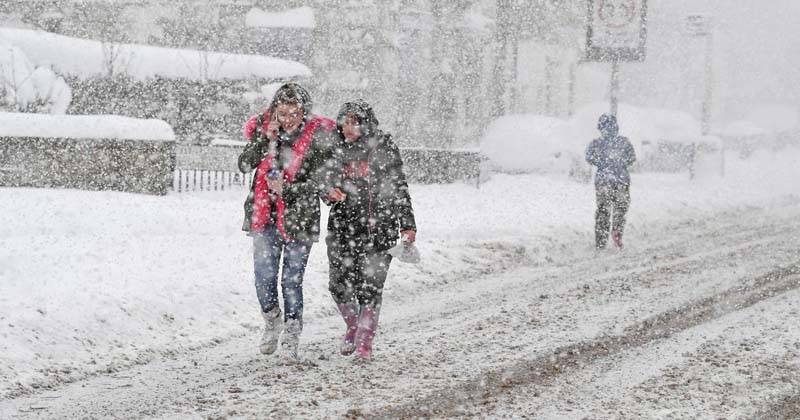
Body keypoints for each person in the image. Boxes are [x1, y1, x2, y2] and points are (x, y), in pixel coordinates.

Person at [238, 83, 337, 358]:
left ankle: (292, 330)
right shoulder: (266, 133)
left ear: (304, 111)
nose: (288, 119)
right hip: (264, 216)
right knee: (263, 277)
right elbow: (244, 164)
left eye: (294, 113)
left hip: (300, 219)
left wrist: (288, 190)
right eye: (282, 113)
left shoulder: (316, 139)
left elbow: (321, 182)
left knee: (291, 280)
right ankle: (272, 320)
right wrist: (263, 140)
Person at [325, 100, 417, 360]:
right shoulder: (334, 148)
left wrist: (407, 224)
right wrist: (329, 193)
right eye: (345, 121)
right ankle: (353, 325)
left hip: (380, 229)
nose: (348, 128)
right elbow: (324, 181)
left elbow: (399, 186)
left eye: (355, 122)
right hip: (342, 229)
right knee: (338, 284)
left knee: (371, 287)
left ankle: (365, 341)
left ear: (367, 124)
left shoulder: (383, 147)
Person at [585, 113, 636, 250]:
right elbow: (632, 158)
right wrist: (620, 164)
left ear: (600, 128)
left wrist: (602, 164)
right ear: (616, 127)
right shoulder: (624, 142)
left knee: (603, 210)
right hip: (621, 181)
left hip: (603, 182)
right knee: (620, 209)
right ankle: (617, 231)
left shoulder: (596, 144)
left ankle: (601, 241)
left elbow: (589, 157)